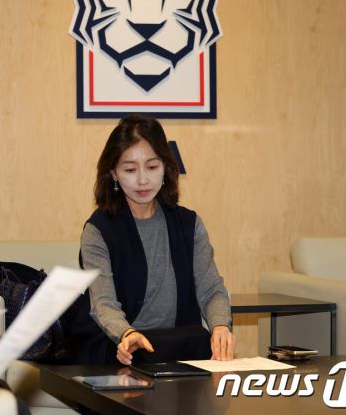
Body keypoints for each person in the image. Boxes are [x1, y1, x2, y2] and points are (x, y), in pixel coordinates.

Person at [69, 114, 234, 366]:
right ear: (113, 173)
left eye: (152, 167)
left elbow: (211, 289)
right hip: (119, 349)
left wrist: (220, 326)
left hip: (177, 349)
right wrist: (127, 333)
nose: (143, 180)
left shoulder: (189, 223)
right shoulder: (98, 229)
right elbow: (103, 302)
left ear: (166, 167)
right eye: (130, 170)